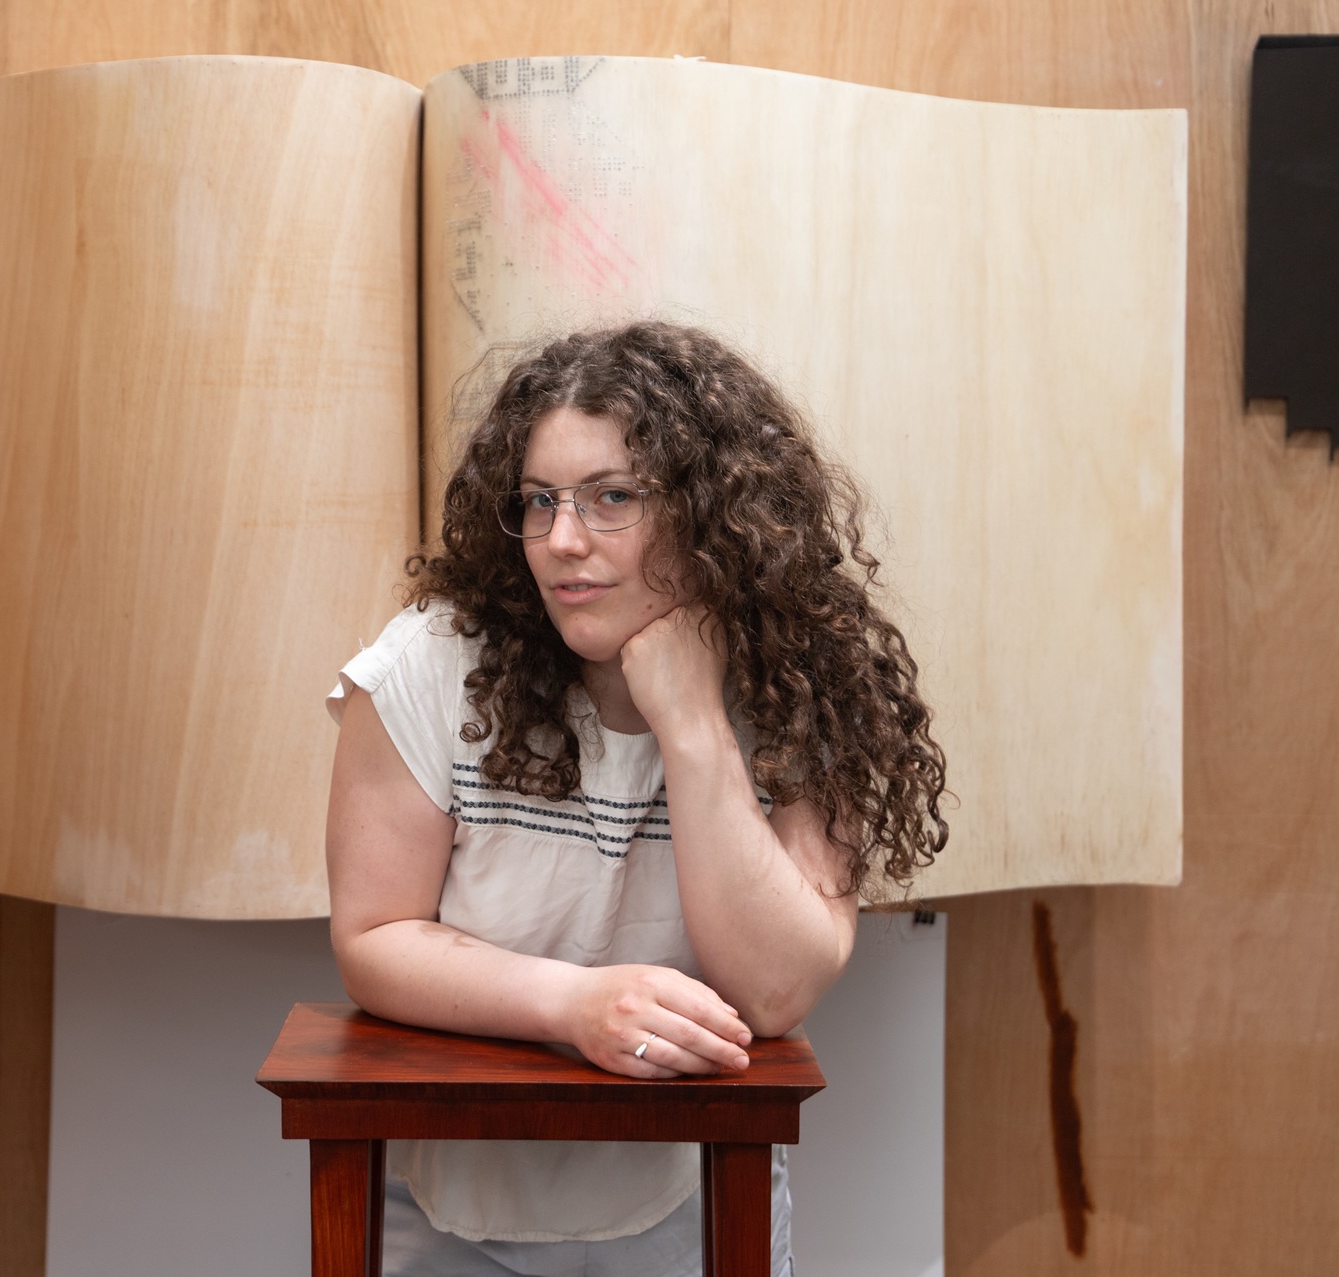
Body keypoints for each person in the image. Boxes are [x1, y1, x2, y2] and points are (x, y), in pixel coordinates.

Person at [324, 321, 947, 1276]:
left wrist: (691, 719)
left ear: (710, 509)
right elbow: (373, 937)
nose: (562, 541)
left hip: (699, 1208)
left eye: (612, 496)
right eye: (541, 500)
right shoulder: (429, 665)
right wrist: (575, 1004)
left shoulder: (800, 681)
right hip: (446, 1213)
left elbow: (776, 988)